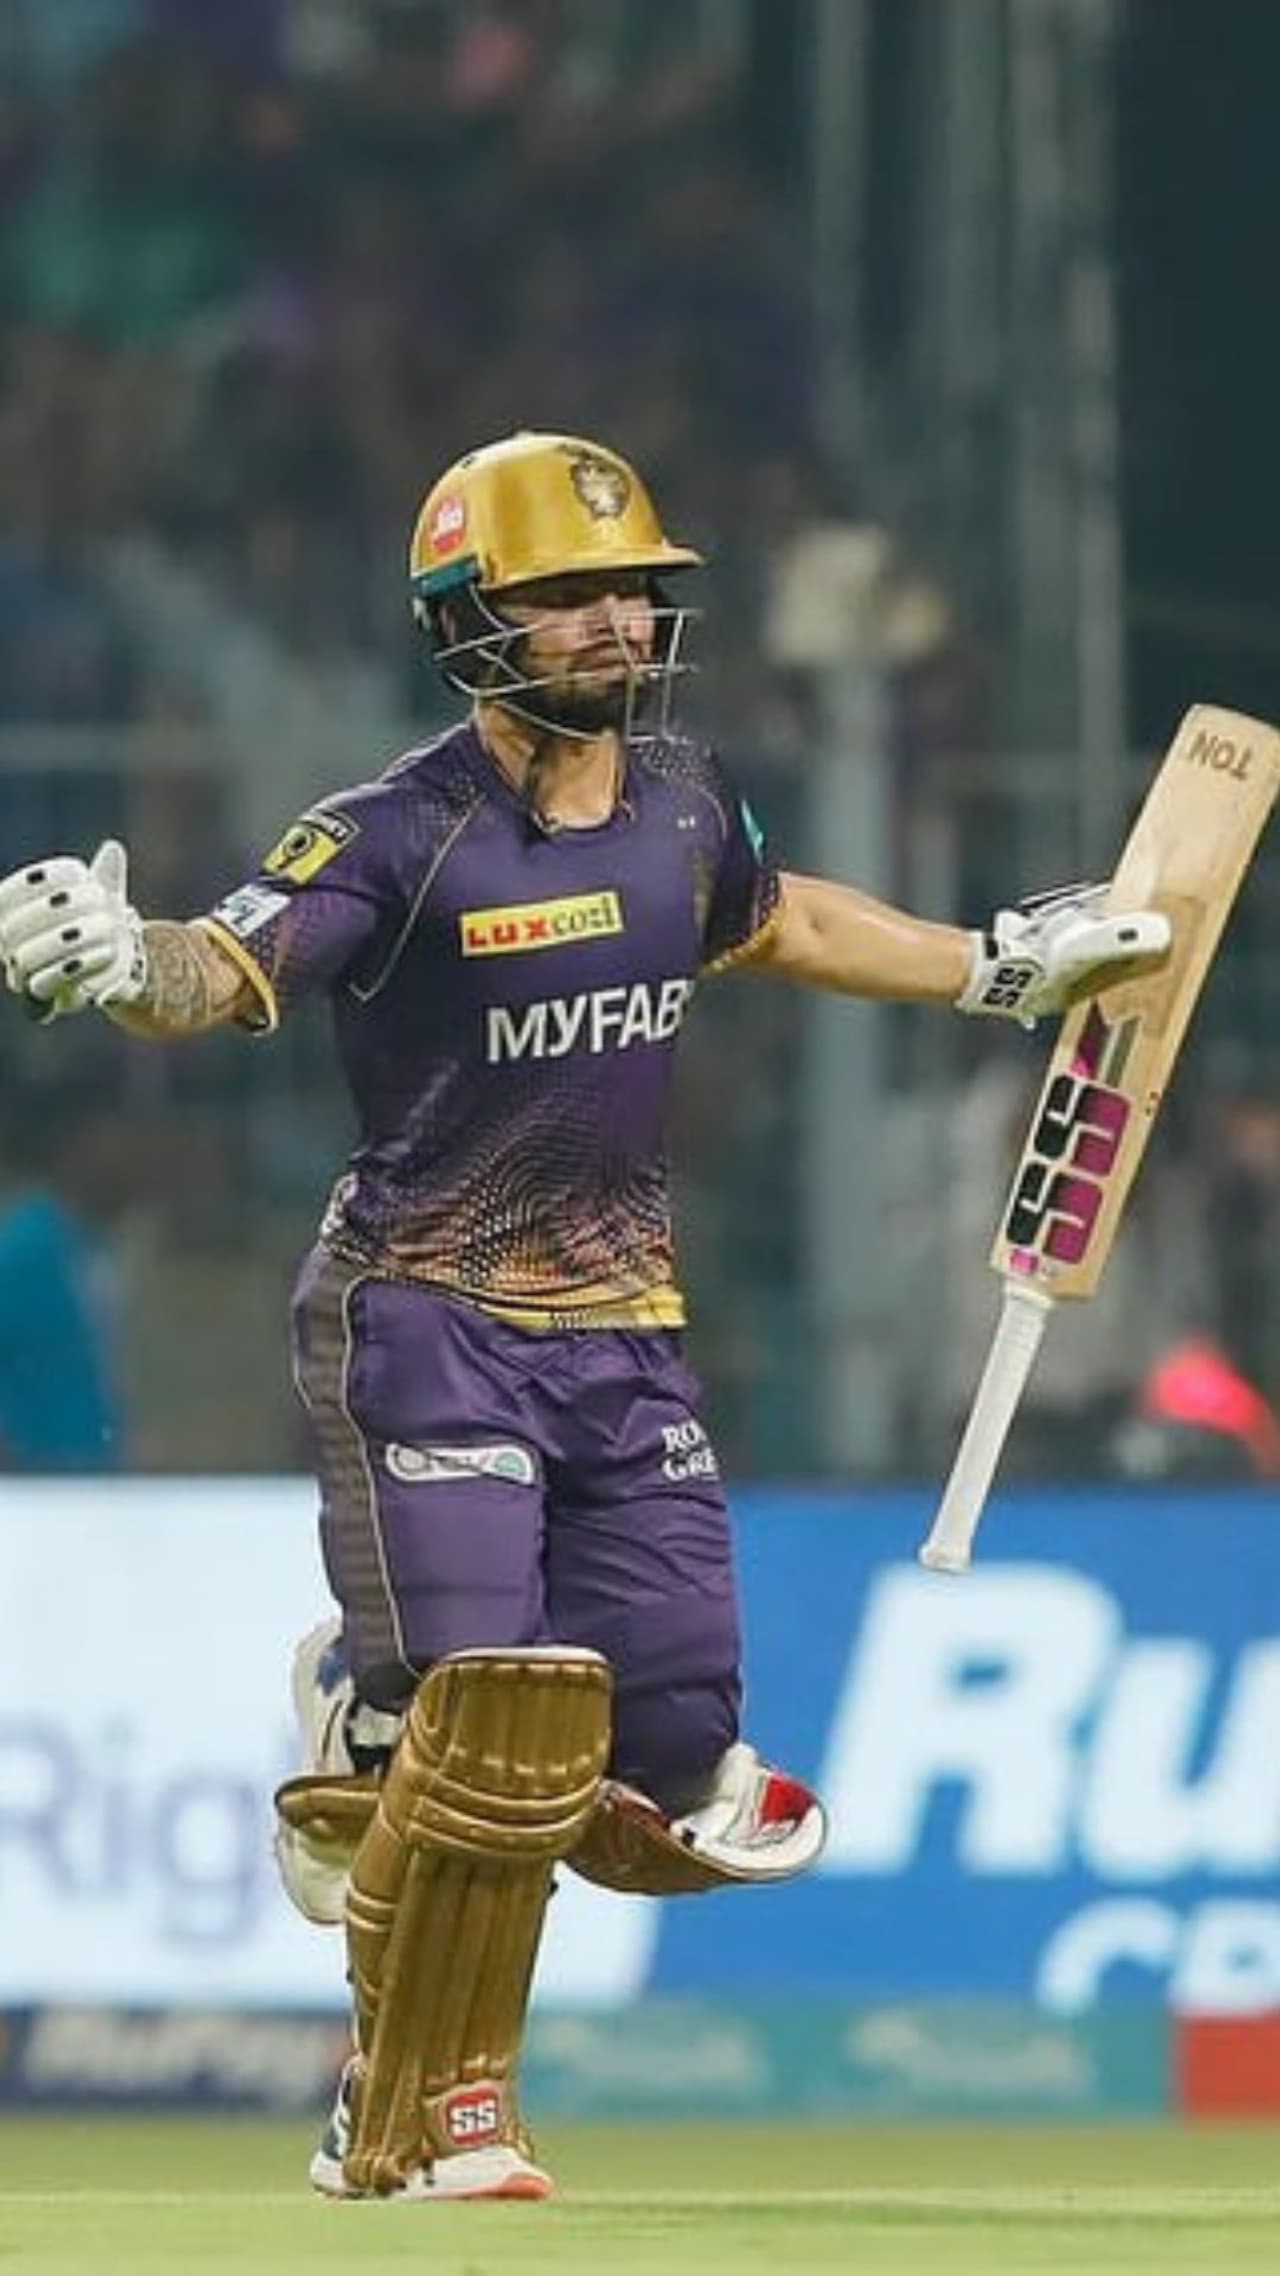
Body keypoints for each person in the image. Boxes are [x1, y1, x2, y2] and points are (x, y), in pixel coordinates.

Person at [0, 429, 1169, 2201]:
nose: (618, 618)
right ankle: (420, 2102)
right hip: (424, 1316)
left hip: (626, 1337)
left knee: (678, 1771)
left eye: (633, 587)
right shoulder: (394, 832)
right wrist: (119, 961)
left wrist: (994, 965)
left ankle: (364, 1711)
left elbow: (781, 922)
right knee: (494, 1729)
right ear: (469, 622)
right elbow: (223, 970)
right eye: (568, 594)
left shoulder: (687, 798)